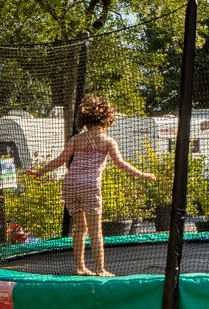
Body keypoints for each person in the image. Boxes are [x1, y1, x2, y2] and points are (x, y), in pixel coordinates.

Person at [27, 94, 155, 277]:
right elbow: (121, 164)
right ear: (106, 118)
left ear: (84, 119)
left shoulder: (77, 139)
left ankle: (80, 267)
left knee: (80, 228)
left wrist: (39, 172)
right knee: (96, 230)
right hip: (89, 186)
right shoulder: (108, 141)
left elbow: (60, 160)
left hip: (71, 185)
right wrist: (142, 174)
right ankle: (100, 269)